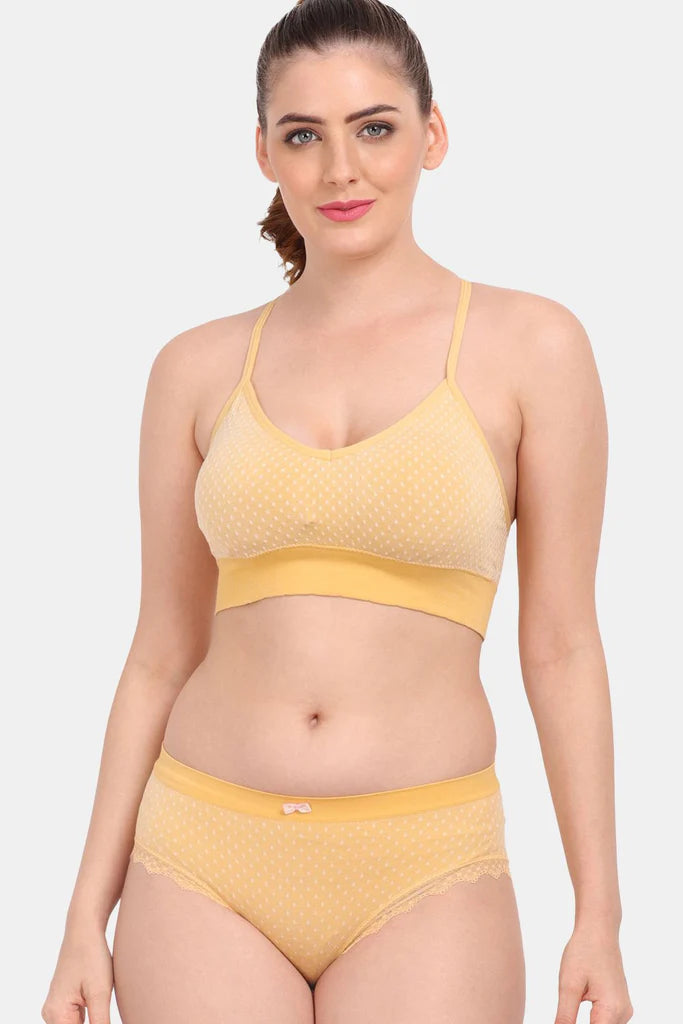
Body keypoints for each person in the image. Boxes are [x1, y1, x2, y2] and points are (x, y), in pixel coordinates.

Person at [42, 1, 634, 1022]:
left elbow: (561, 647)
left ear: (431, 135)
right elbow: (159, 653)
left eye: (374, 128)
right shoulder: (194, 367)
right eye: (303, 135)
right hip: (200, 858)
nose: (340, 169)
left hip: (425, 863)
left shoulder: (531, 347)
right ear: (263, 153)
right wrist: (80, 919)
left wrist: (598, 915)